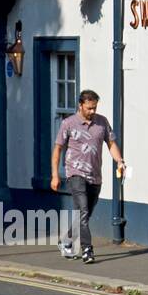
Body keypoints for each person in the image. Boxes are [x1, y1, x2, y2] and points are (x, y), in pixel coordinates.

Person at [51, 90, 125, 264]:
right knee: (83, 211)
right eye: (89, 108)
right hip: (75, 174)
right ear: (81, 105)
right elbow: (58, 150)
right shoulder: (68, 123)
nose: (92, 111)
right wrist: (55, 175)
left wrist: (120, 161)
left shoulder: (102, 122)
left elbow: (111, 143)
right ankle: (87, 250)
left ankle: (66, 240)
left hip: (95, 176)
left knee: (85, 214)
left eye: (95, 108)